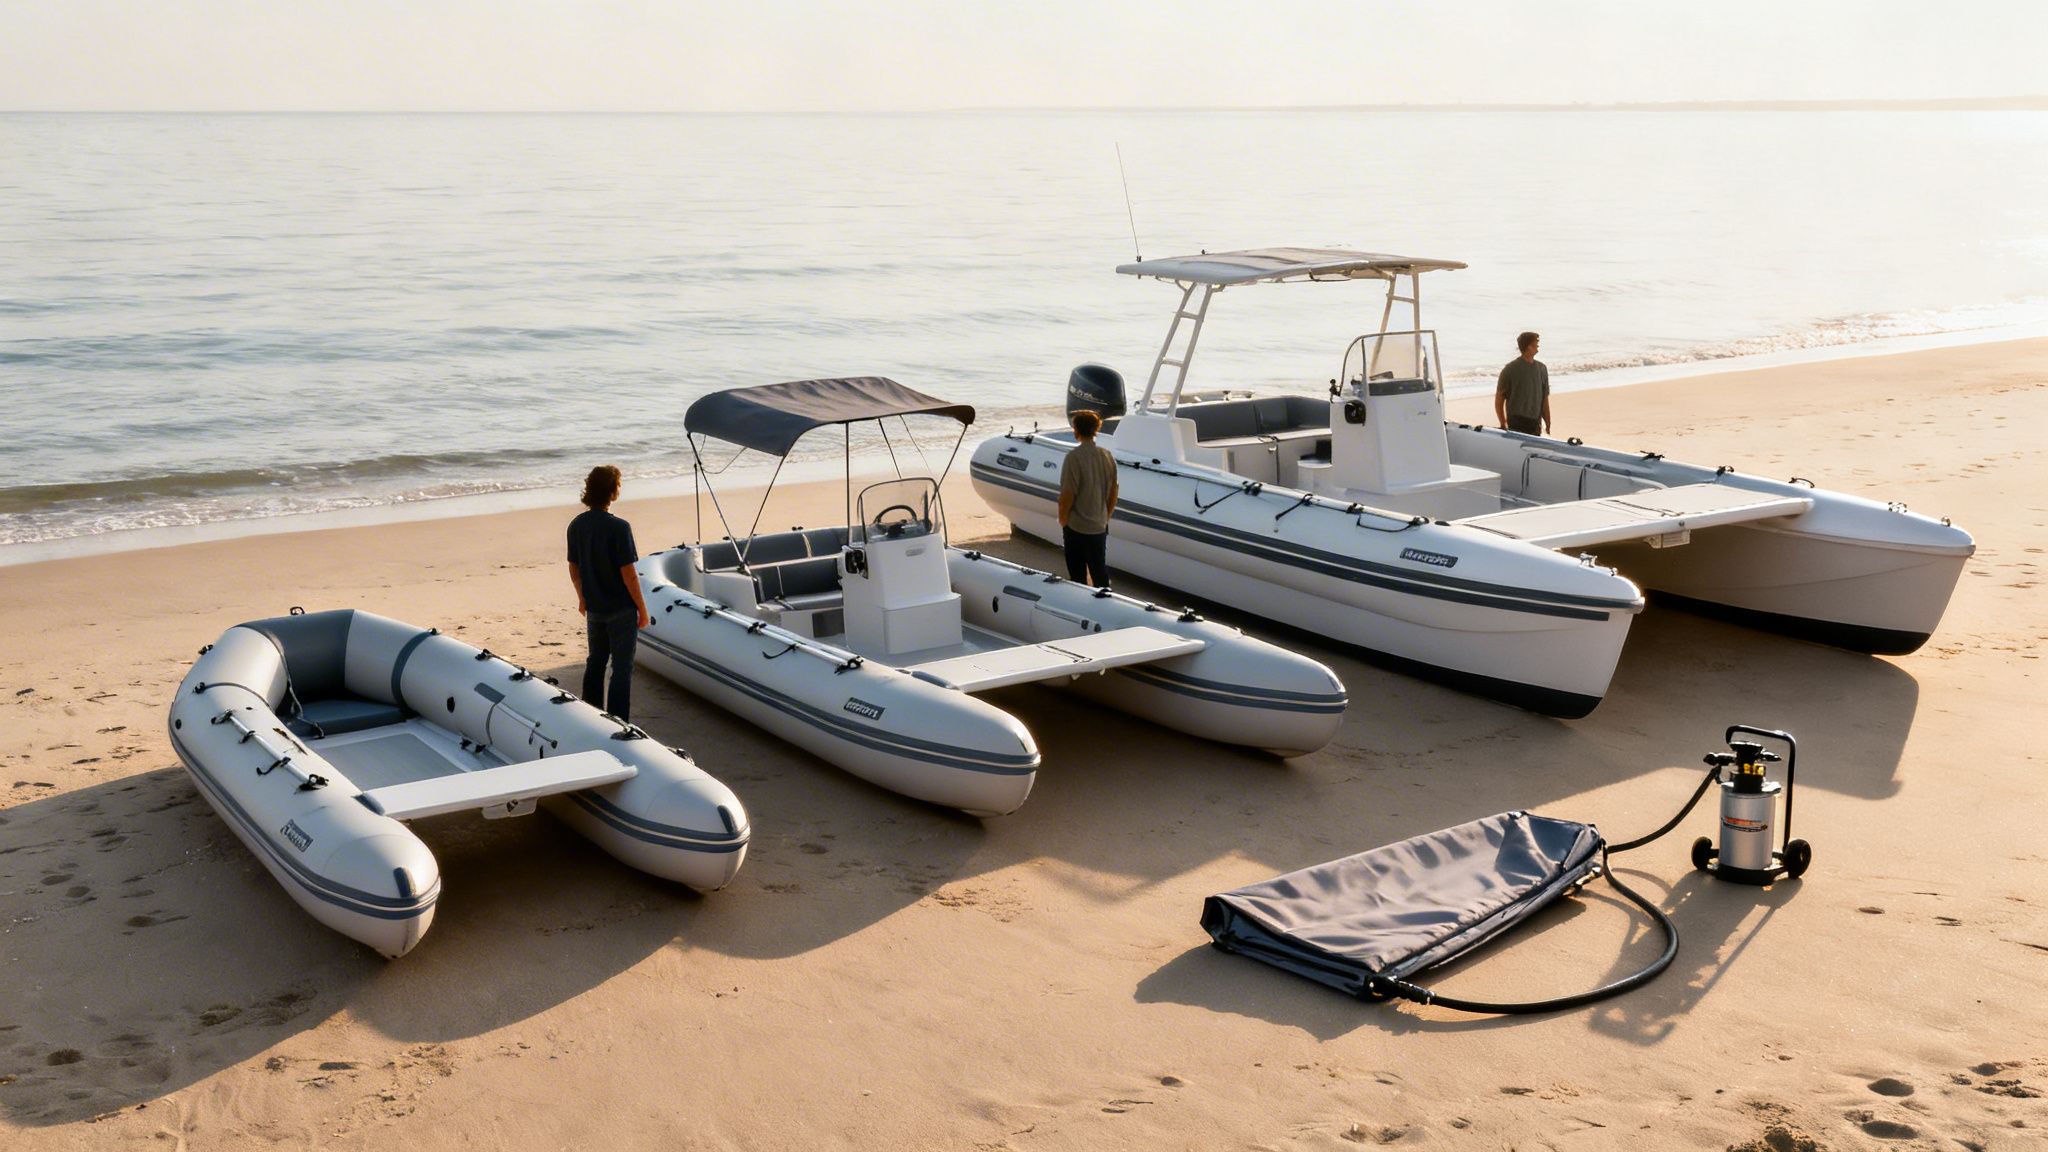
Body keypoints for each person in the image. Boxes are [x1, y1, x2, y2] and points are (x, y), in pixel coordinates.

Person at [566, 465, 648, 721]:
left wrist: (582, 597)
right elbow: (629, 574)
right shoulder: (619, 528)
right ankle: (618, 720)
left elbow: (574, 567)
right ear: (612, 492)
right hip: (621, 608)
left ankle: (591, 715)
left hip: (595, 608)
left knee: (596, 662)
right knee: (621, 668)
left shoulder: (577, 525)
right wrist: (642, 610)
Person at [1057, 409, 1119, 587]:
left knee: (1077, 574)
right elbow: (1113, 491)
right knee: (1099, 570)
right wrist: (1105, 516)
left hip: (1077, 526)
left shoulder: (1073, 457)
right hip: (1099, 525)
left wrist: (1063, 519)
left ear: (1076, 429)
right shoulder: (1107, 456)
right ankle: (1104, 604)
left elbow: (1068, 494)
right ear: (1096, 429)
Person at [1494, 331, 1551, 436]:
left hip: (1535, 421)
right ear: (1529, 346)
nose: (1538, 344)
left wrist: (1548, 422)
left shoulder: (1542, 369)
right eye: (1536, 342)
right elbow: (1499, 399)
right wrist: (1503, 423)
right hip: (1516, 421)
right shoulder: (1510, 369)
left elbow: (1544, 398)